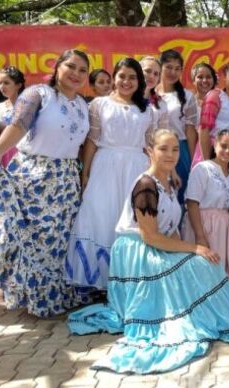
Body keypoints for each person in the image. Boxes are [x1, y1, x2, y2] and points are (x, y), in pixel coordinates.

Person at [67, 129, 229, 374]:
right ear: (149, 151)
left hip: (158, 245)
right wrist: (195, 247)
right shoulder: (146, 186)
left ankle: (200, 305)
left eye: (175, 149)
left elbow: (170, 229)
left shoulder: (167, 182)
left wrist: (188, 254)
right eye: (163, 149)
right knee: (198, 262)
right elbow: (151, 236)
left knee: (203, 265)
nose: (170, 154)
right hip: (139, 252)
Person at [0, 49, 92, 317]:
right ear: (57, 67)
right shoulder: (38, 94)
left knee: (58, 241)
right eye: (71, 66)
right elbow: (19, 125)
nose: (76, 74)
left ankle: (56, 296)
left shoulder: (82, 104)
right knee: (35, 239)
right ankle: (35, 298)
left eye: (82, 70)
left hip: (66, 180)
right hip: (35, 175)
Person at [66, 57, 166, 293]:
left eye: (132, 77)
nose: (126, 81)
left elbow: (150, 145)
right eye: (122, 76)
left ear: (139, 81)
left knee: (133, 221)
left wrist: (161, 175)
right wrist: (86, 172)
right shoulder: (99, 105)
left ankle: (132, 278)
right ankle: (100, 281)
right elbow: (91, 141)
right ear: (114, 78)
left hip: (136, 169)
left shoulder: (148, 110)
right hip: (105, 167)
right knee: (101, 215)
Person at [182, 130, 229, 290]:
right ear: (214, 145)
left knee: (219, 273)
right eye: (223, 146)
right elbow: (192, 202)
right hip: (202, 225)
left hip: (223, 228)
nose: (227, 151)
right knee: (204, 273)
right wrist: (200, 236)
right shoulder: (202, 168)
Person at [156, 50, 199, 204]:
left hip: (179, 151)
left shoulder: (187, 96)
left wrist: (194, 162)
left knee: (180, 195)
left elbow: (190, 130)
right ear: (160, 67)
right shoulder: (148, 93)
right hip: (154, 151)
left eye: (177, 68)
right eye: (168, 67)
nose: (173, 72)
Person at [193, 56, 229, 168]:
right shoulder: (215, 96)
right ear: (224, 77)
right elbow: (204, 130)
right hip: (214, 154)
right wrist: (208, 164)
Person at [0, 66, 25, 167]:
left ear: (18, 85)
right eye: (0, 83)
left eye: (6, 83)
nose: (2, 86)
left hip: (23, 153)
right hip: (2, 153)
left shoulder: (28, 106)